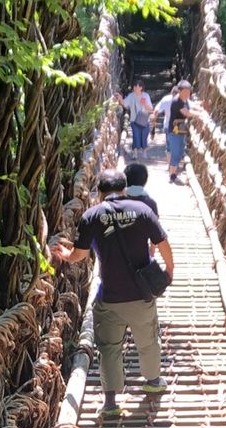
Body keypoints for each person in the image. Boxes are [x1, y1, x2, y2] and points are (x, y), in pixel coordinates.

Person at [50, 168, 174, 414]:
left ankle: (110, 403)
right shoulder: (142, 210)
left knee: (109, 347)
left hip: (110, 295)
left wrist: (65, 255)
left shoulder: (91, 216)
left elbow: (80, 255)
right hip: (141, 294)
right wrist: (169, 270)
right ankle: (152, 382)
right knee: (148, 341)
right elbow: (162, 243)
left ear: (99, 193)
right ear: (124, 189)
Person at [166, 79, 197, 184]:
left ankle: (173, 174)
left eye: (189, 92)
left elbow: (192, 106)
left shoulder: (184, 100)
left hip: (181, 131)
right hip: (174, 132)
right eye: (185, 92)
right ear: (180, 91)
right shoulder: (177, 101)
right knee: (175, 154)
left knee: (179, 153)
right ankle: (172, 176)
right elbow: (187, 113)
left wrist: (200, 109)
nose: (188, 94)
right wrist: (199, 115)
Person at [120, 79, 153, 152]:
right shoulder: (131, 96)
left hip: (144, 120)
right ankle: (135, 153)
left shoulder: (146, 96)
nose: (134, 88)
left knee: (144, 137)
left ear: (141, 88)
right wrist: (120, 98)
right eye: (134, 86)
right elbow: (125, 104)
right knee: (136, 136)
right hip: (134, 120)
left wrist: (144, 104)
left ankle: (144, 152)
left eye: (136, 86)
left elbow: (150, 109)